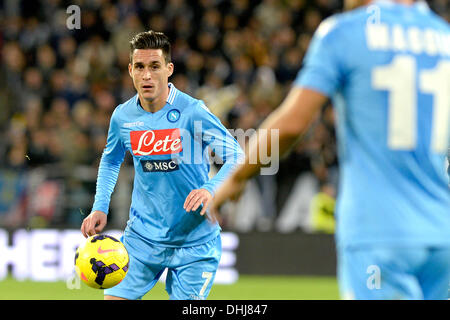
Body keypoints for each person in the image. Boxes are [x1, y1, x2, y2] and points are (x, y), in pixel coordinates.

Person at [212, 0, 450, 300]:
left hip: (380, 231)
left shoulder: (345, 33)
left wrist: (236, 177)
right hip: (442, 234)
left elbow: (292, 125)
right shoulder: (444, 36)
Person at [80, 30, 243, 300]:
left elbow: (237, 156)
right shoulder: (123, 116)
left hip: (195, 241)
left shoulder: (192, 111)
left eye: (155, 66)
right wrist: (100, 205)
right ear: (130, 70)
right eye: (140, 67)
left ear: (169, 69)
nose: (147, 75)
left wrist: (210, 189)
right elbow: (110, 160)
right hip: (142, 239)